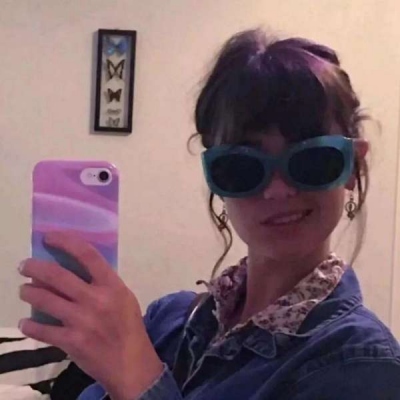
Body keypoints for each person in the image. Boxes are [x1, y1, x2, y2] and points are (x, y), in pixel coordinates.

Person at [18, 28, 400, 400]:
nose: (278, 190)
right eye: (243, 167)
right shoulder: (170, 320)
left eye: (312, 159)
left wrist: (140, 382)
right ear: (216, 178)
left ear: (353, 166)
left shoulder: (363, 365)